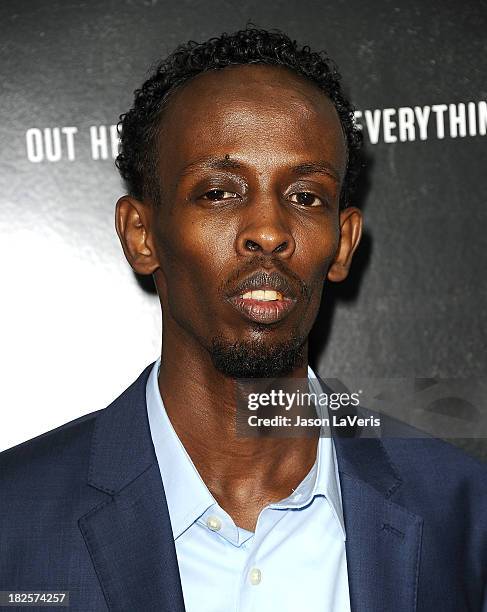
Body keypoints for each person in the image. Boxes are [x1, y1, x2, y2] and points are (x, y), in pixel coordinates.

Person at [0, 27, 485, 612]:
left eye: (306, 196)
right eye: (219, 192)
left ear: (342, 242)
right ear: (141, 234)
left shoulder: (463, 512)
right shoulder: (13, 518)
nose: (269, 231)